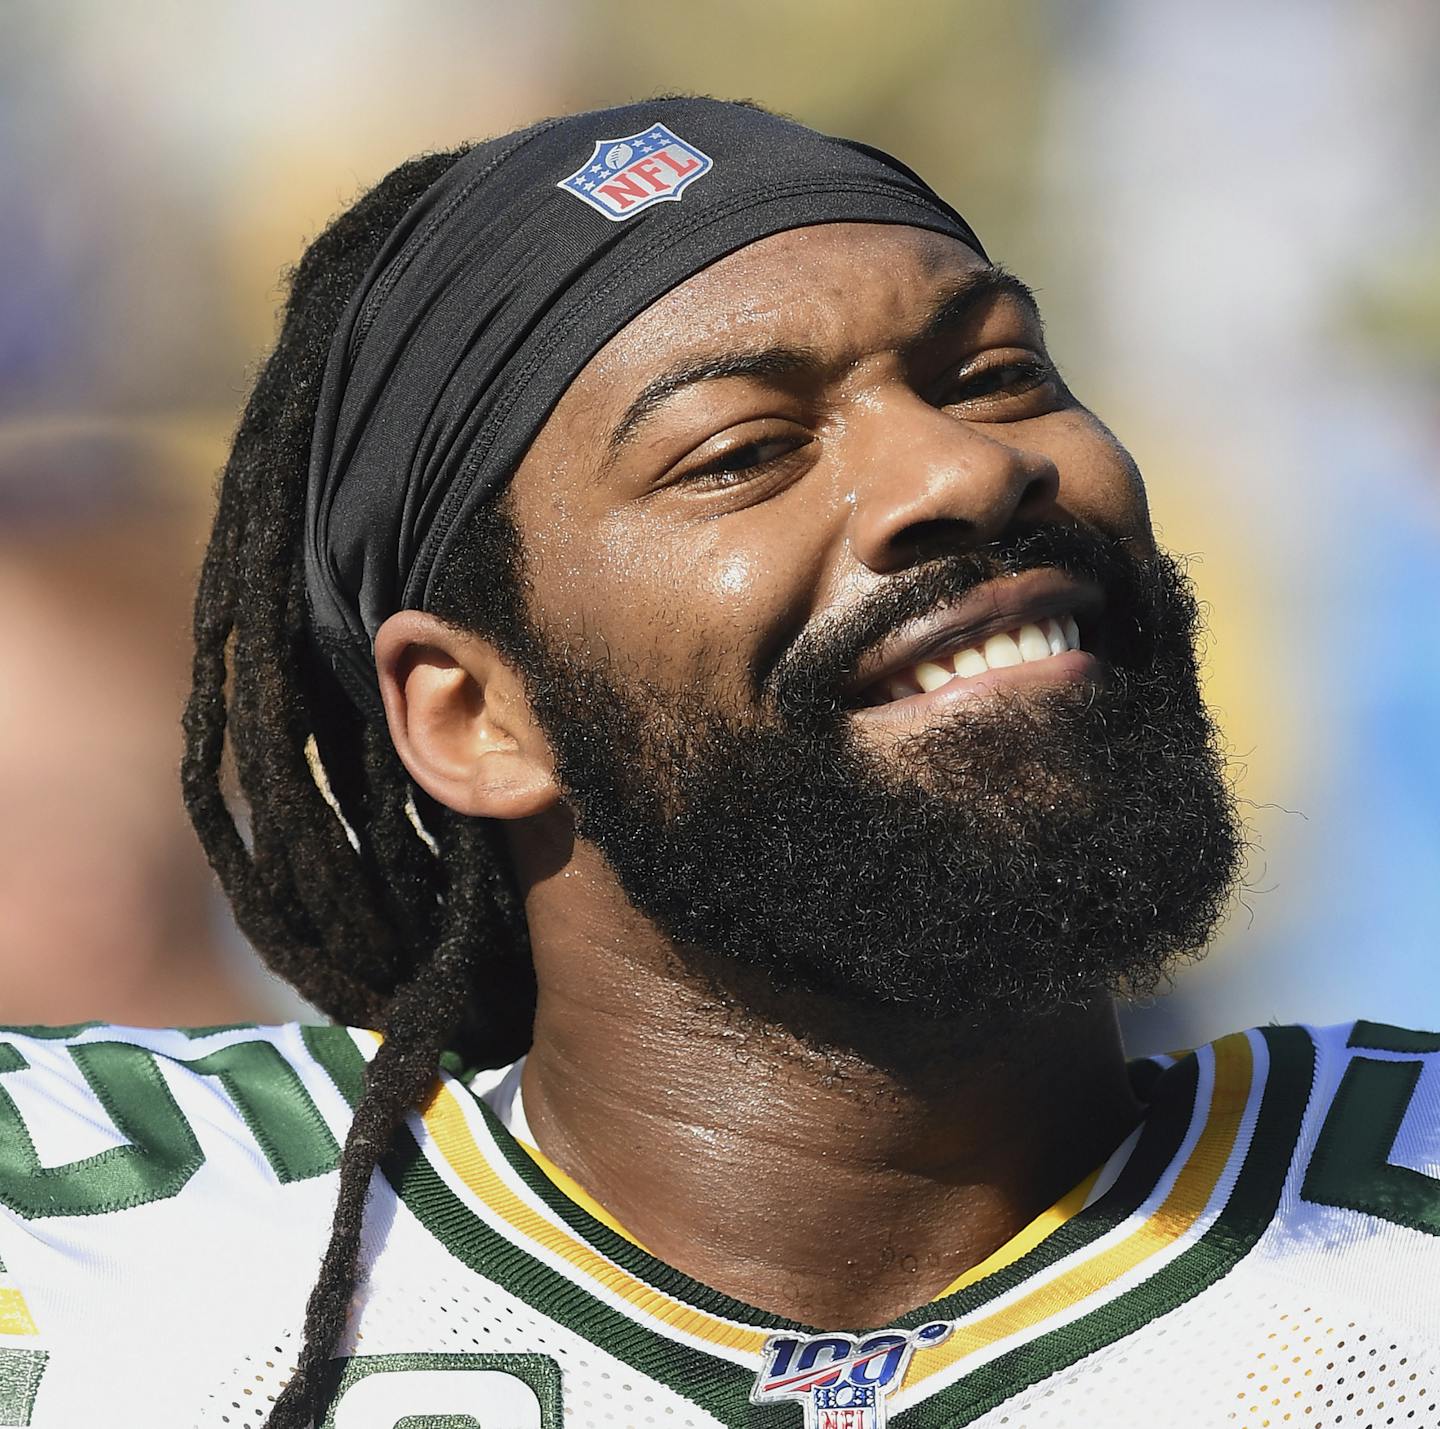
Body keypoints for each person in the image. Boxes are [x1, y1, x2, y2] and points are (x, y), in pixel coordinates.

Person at [0, 97, 1436, 1429]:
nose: (962, 469)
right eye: (743, 450)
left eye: (995, 374)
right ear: (472, 715)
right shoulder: (88, 1245)